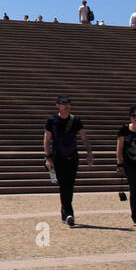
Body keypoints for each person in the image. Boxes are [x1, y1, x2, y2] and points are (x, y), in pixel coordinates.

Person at [43, 95, 94, 226]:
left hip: (72, 157)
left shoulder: (75, 120)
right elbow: (47, 139)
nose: (66, 105)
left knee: (69, 186)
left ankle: (65, 214)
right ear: (57, 105)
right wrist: (48, 157)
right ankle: (68, 214)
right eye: (63, 103)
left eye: (68, 103)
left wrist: (89, 153)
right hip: (57, 157)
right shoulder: (52, 120)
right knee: (63, 185)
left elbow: (84, 137)